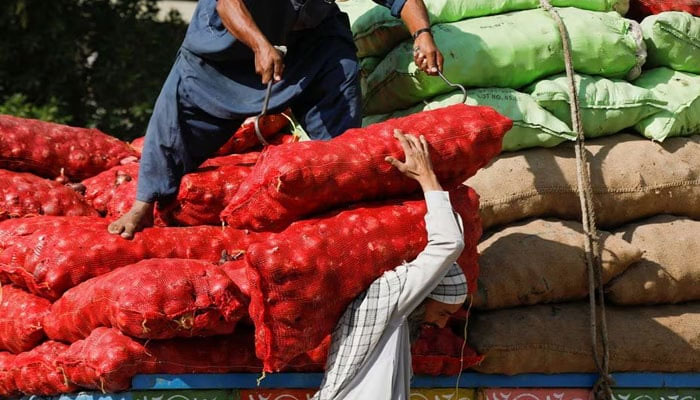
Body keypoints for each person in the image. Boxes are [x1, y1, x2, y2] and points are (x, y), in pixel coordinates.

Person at [108, 0, 445, 239]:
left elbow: (402, 0)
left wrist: (422, 34)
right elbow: (228, 4)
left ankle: (339, 189)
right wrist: (259, 44)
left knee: (341, 69)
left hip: (308, 43)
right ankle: (144, 203)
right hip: (227, 44)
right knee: (178, 115)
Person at [313, 130, 468, 400]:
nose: (441, 325)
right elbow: (449, 244)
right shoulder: (390, 299)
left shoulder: (394, 319)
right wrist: (427, 179)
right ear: (425, 291)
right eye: (442, 312)